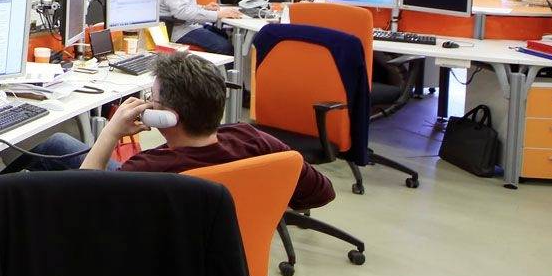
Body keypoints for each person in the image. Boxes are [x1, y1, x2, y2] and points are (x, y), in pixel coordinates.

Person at [25, 55, 336, 213]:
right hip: (224, 263)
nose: (147, 102)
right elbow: (321, 192)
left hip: (153, 266)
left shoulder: (147, 169)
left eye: (152, 97)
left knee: (54, 153)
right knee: (60, 144)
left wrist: (110, 133)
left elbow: (82, 196)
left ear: (167, 116)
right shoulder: (253, 139)